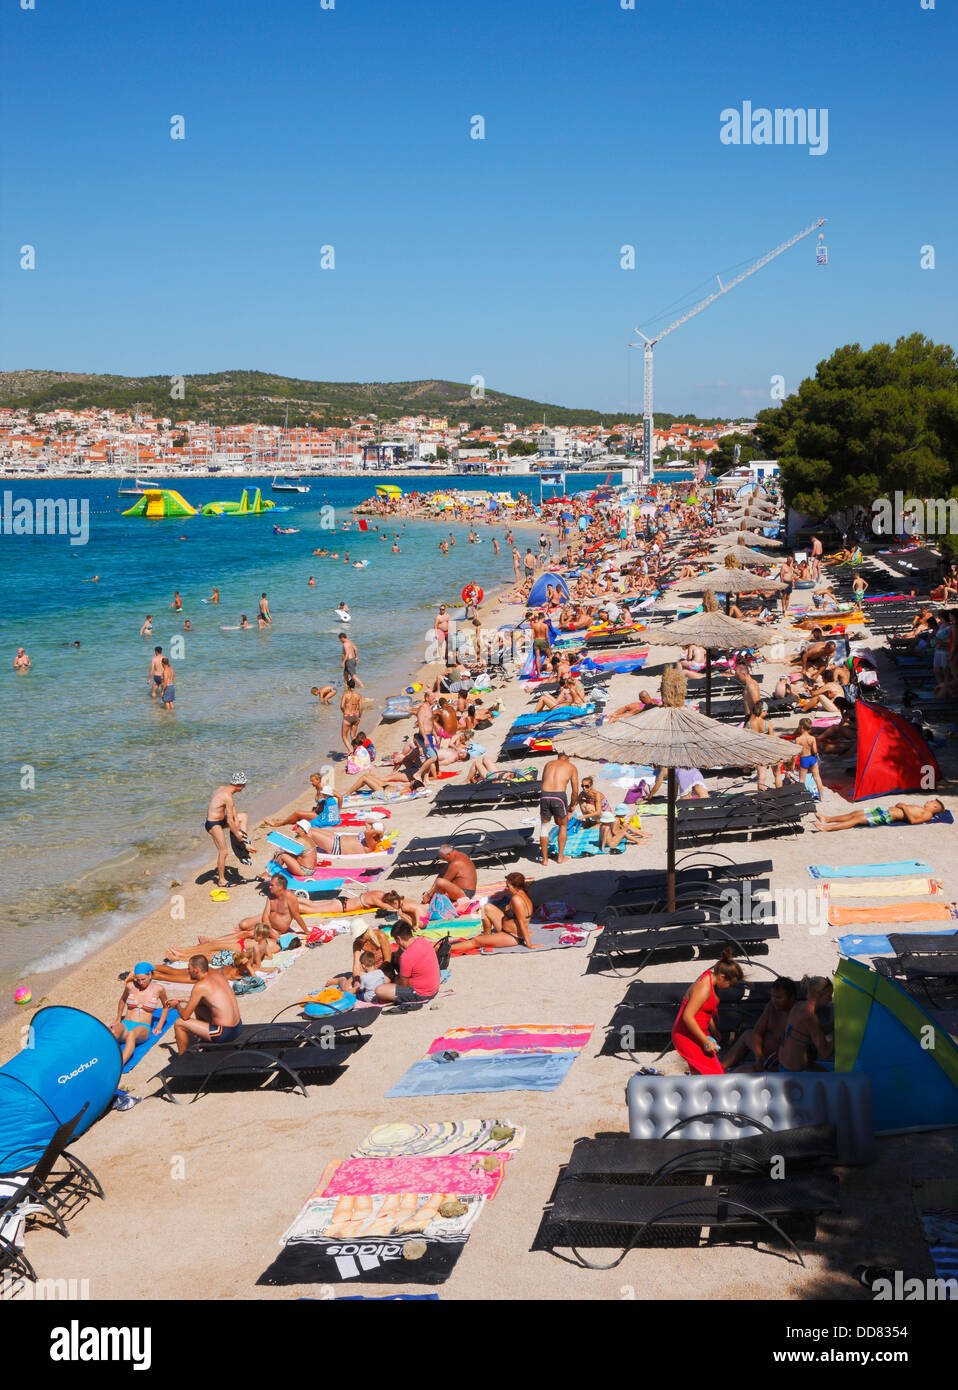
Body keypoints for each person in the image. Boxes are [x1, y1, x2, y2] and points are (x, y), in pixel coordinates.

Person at [670, 948, 745, 1075]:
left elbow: (703, 1008)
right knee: (716, 1075)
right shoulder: (704, 987)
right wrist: (706, 1042)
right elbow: (687, 1016)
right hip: (686, 1036)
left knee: (701, 1074)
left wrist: (713, 1029)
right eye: (730, 984)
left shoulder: (712, 981)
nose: (729, 988)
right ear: (722, 977)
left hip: (698, 1034)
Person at [723, 976, 797, 1071]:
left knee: (742, 1071)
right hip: (765, 1053)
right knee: (747, 1034)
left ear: (792, 998)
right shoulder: (771, 1006)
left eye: (779, 997)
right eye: (772, 996)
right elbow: (757, 1031)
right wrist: (758, 1056)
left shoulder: (798, 1013)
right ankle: (721, 1067)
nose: (774, 1000)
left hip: (781, 1061)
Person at [171, 955, 242, 1053]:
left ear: (196, 970)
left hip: (224, 1032)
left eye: (189, 968)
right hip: (237, 1027)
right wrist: (181, 999)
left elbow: (185, 1016)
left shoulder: (200, 986)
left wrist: (177, 1006)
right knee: (199, 1007)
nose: (187, 971)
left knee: (179, 1023)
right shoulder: (218, 976)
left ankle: (182, 1059)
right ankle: (203, 1044)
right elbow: (212, 1000)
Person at [110, 963, 170, 1066]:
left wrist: (159, 1026)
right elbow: (122, 1000)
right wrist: (118, 1019)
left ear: (150, 975)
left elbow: (166, 1006)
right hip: (126, 1023)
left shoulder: (158, 989)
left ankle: (120, 1065)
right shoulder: (130, 986)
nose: (140, 982)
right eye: (138, 979)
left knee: (132, 1034)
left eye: (143, 979)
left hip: (143, 1027)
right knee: (111, 1030)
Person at [374, 922, 440, 1004]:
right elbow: (398, 953)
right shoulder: (423, 941)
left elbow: (403, 984)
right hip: (434, 987)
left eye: (396, 940)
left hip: (422, 993)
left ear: (399, 939)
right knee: (394, 956)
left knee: (379, 990)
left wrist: (393, 980)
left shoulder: (406, 957)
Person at [777, 977, 834, 1071]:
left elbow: (816, 1032)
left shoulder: (798, 1006)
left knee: (823, 1071)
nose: (830, 999)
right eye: (829, 995)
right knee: (831, 1078)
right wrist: (840, 1033)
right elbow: (825, 1053)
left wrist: (834, 1025)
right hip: (794, 1073)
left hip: (783, 1065)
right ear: (819, 995)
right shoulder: (809, 1016)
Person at [205, 774, 251, 888]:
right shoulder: (227, 796)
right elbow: (230, 821)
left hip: (220, 821)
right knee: (223, 852)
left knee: (243, 817)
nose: (244, 786)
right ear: (238, 785)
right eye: (243, 784)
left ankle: (245, 844)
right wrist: (236, 834)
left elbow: (232, 809)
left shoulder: (224, 789)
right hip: (213, 824)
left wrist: (238, 828)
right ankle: (221, 880)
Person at [539, 750, 578, 864]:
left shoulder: (548, 764)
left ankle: (545, 859)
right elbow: (575, 791)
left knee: (544, 827)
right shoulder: (571, 766)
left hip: (544, 795)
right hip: (559, 796)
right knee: (563, 825)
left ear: (558, 757)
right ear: (568, 758)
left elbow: (543, 781)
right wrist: (572, 805)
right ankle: (560, 857)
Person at [476, 872, 535, 949]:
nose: (506, 888)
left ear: (516, 887)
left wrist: (529, 944)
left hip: (510, 933)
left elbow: (522, 923)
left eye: (508, 886)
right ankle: (487, 934)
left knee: (475, 941)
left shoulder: (516, 899)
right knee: (485, 907)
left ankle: (487, 936)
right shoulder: (522, 895)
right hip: (508, 927)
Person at [811, 798, 945, 832]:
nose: (928, 801)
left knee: (857, 819)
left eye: (931, 801)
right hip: (885, 811)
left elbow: (914, 821)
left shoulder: (927, 814)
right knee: (856, 813)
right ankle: (828, 819)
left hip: (887, 816)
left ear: (935, 807)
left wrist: (904, 807)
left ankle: (827, 828)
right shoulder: (923, 809)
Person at [792, 718, 825, 799]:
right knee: (817, 777)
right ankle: (821, 796)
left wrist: (793, 764)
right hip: (812, 759)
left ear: (801, 727)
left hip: (804, 759)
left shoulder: (798, 739)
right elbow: (815, 750)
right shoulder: (812, 738)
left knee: (802, 779)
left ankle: (800, 797)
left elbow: (795, 754)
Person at [340, 676, 363, 753]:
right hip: (355, 717)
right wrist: (359, 717)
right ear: (354, 685)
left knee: (344, 737)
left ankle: (350, 750)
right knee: (353, 736)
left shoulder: (345, 694)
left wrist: (344, 712)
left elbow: (341, 706)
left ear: (347, 685)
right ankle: (357, 751)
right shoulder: (358, 695)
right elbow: (361, 708)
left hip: (347, 717)